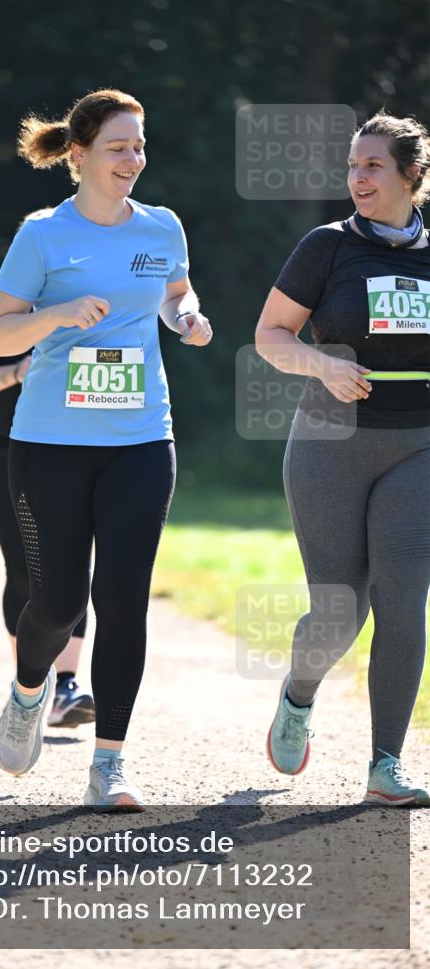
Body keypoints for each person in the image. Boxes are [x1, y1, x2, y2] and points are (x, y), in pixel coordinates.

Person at [0, 89, 212, 808]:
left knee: (123, 599)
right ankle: (28, 693)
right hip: (47, 443)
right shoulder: (42, 235)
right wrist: (54, 314)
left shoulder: (161, 226)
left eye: (139, 146)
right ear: (77, 155)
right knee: (55, 600)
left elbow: (174, 292)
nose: (133, 160)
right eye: (118, 147)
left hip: (140, 438)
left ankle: (108, 761)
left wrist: (186, 316)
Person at [256, 110, 430, 806]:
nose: (356, 178)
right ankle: (298, 696)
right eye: (352, 165)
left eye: (371, 166)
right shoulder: (325, 247)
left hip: (418, 445)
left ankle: (385, 764)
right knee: (338, 610)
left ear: (411, 176)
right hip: (330, 443)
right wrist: (320, 365)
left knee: (402, 598)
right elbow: (270, 335)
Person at [0, 306, 95, 727]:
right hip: (6, 451)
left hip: (78, 451)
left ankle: (67, 685)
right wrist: (19, 371)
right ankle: (30, 685)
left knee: (73, 566)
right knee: (23, 570)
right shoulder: (3, 311)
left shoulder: (95, 304)